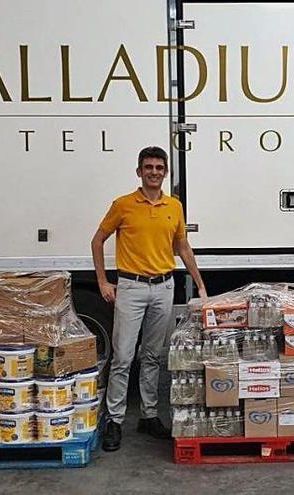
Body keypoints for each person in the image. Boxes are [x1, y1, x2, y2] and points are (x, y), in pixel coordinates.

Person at [91, 146, 207, 452]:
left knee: (154, 356)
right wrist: (103, 281)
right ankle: (114, 421)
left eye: (159, 167)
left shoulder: (174, 206)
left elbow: (183, 246)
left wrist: (200, 284)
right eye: (148, 167)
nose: (154, 172)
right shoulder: (124, 205)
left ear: (165, 172)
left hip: (164, 287)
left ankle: (149, 415)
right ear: (139, 171)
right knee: (123, 357)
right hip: (131, 287)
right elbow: (98, 240)